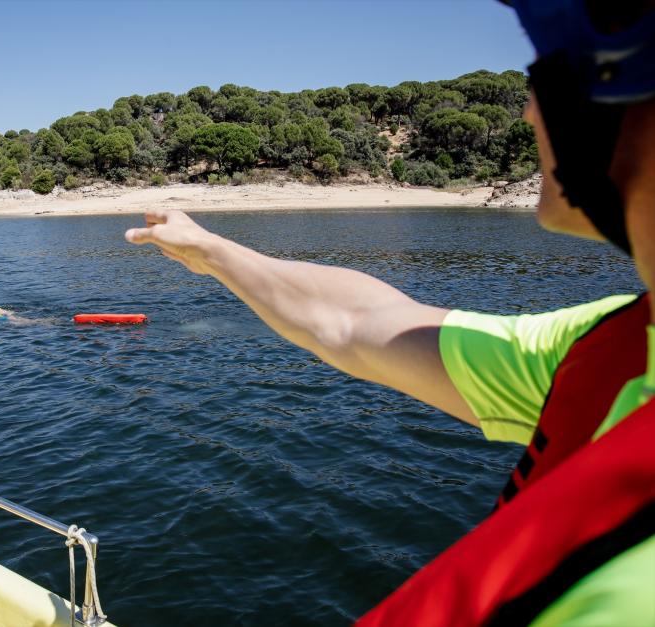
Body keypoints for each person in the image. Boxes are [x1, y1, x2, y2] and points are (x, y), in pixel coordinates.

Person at [125, 1, 654, 623]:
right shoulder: (613, 347)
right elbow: (355, 326)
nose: (528, 109)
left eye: (541, 77)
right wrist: (211, 251)